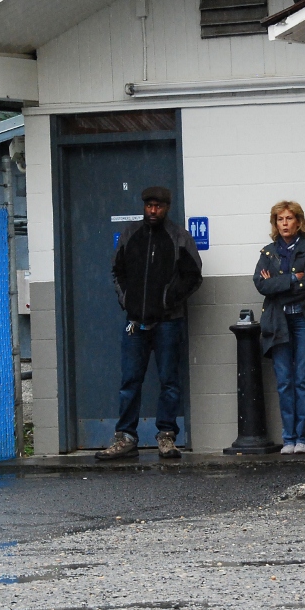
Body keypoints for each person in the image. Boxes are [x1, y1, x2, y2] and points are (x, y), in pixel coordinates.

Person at [98, 186, 203, 460]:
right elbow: (117, 271)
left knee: (169, 381)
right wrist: (127, 301)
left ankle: (166, 436)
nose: (153, 211)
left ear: (167, 207)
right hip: (134, 322)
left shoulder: (180, 237)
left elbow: (193, 276)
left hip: (169, 322)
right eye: (149, 206)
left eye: (158, 206)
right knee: (130, 382)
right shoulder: (131, 235)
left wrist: (169, 299)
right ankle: (125, 437)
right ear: (144, 206)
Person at [254, 201, 305, 454]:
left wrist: (278, 285)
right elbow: (261, 286)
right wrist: (291, 280)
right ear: (275, 224)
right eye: (280, 219)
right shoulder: (267, 252)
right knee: (284, 381)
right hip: (278, 324)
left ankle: (304, 438)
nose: (284, 223)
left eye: (289, 218)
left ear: (298, 221)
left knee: (303, 380)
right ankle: (289, 438)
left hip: (303, 321)